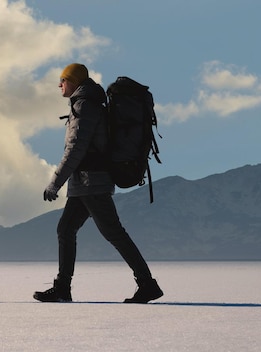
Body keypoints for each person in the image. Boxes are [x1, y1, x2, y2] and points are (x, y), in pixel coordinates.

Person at [33, 63, 163, 304]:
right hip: (84, 183)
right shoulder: (84, 104)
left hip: (91, 182)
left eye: (63, 79)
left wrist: (55, 183)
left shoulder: (85, 106)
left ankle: (147, 284)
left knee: (113, 233)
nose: (59, 84)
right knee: (66, 229)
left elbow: (75, 148)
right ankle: (62, 287)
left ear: (74, 81)